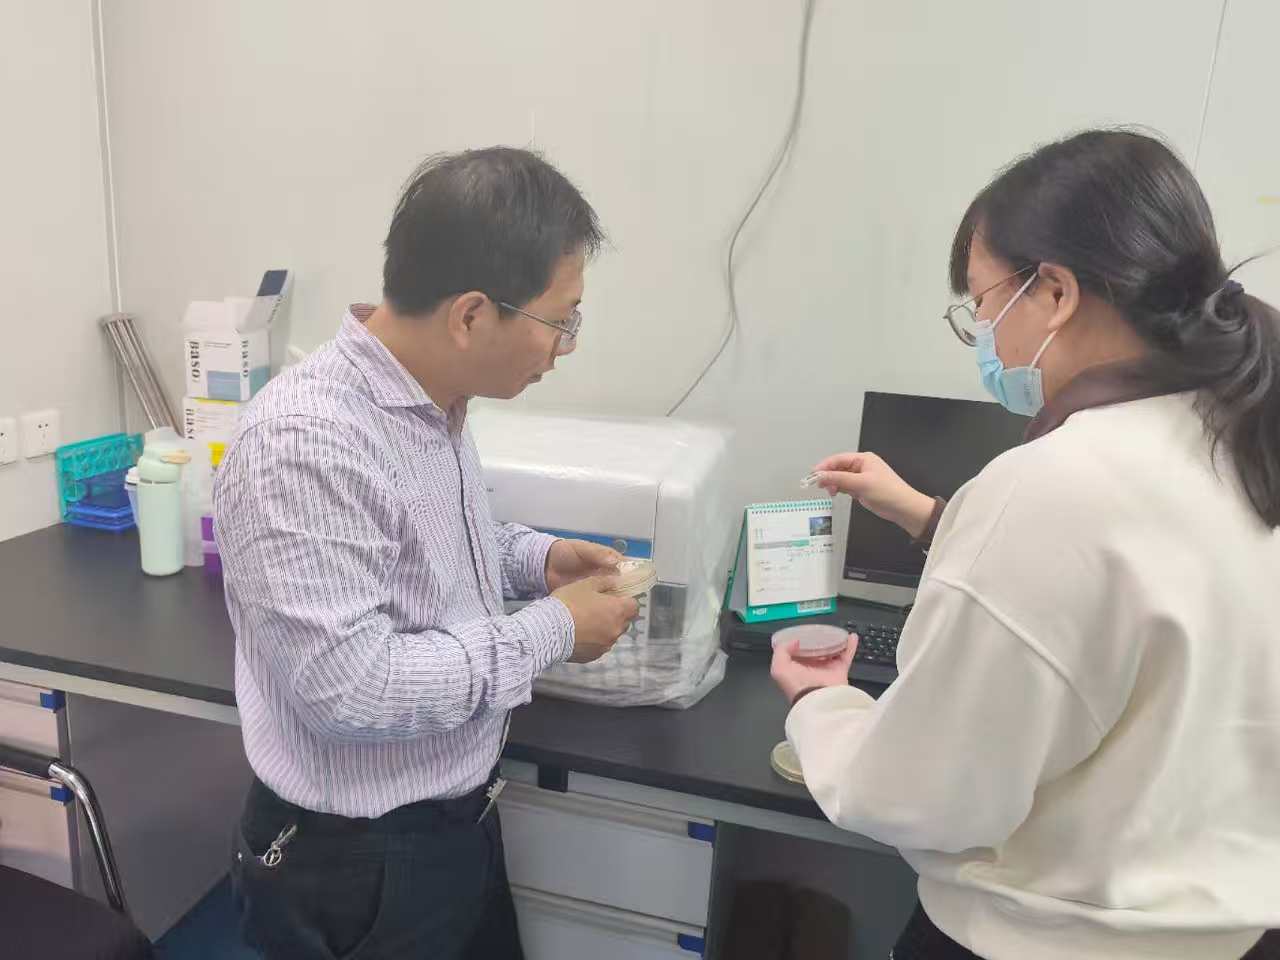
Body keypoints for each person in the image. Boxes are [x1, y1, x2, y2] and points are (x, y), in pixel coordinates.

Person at [771, 130, 1280, 959]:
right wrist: (936, 519)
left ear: (1055, 291)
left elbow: (921, 796)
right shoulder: (1243, 439)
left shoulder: (1052, 487)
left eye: (981, 304)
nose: (984, 335)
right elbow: (1139, 606)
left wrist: (820, 706)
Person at [215, 147, 640, 960]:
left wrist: (538, 560)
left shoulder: (434, 405)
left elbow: (431, 552)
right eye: (561, 320)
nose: (564, 346)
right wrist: (554, 629)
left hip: (455, 820)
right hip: (360, 861)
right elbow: (351, 690)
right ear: (472, 316)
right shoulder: (306, 442)